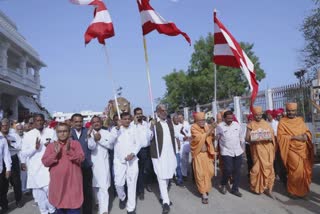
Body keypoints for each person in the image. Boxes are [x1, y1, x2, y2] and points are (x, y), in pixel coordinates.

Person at [110, 112, 150, 214]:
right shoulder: (115, 130)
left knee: (132, 184)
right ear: (121, 120)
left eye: (128, 119)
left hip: (132, 162)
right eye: (125, 119)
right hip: (119, 162)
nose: (127, 121)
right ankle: (122, 197)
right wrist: (118, 129)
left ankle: (131, 208)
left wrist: (133, 154)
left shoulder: (134, 129)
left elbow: (139, 143)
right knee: (118, 183)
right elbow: (110, 141)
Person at [42, 123, 84, 214]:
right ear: (56, 133)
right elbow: (45, 162)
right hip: (58, 186)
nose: (62, 134)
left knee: (74, 207)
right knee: (59, 207)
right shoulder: (51, 146)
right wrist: (55, 154)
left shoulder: (75, 144)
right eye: (59, 131)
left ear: (69, 133)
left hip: (73, 184)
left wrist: (69, 151)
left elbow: (81, 158)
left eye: (65, 131)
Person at [21, 114, 56, 214]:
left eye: (41, 120)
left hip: (48, 169)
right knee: (40, 198)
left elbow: (58, 147)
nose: (39, 122)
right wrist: (35, 148)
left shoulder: (51, 132)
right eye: (37, 120)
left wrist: (51, 147)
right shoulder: (28, 135)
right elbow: (23, 153)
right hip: (35, 170)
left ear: (44, 121)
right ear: (34, 122)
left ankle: (53, 211)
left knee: (51, 193)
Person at [277, 102, 314, 198]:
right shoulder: (282, 122)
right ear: (286, 111)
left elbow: (307, 132)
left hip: (303, 149)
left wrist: (306, 136)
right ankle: (293, 191)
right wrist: (295, 137)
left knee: (303, 171)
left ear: (296, 111)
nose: (290, 112)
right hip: (291, 150)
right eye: (289, 111)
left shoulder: (300, 121)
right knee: (295, 171)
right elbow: (281, 137)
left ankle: (302, 192)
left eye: (293, 111)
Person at [151, 104, 177, 214]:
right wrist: (150, 128)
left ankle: (162, 196)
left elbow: (174, 135)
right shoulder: (153, 123)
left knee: (168, 175)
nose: (164, 112)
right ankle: (166, 202)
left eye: (165, 110)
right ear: (157, 112)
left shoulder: (169, 122)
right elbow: (148, 137)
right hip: (158, 154)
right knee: (161, 176)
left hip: (170, 153)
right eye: (162, 110)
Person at [245, 106, 275, 198]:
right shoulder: (251, 124)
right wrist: (254, 139)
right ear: (253, 115)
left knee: (269, 169)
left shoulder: (266, 124)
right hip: (257, 151)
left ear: (262, 114)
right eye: (256, 115)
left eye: (260, 115)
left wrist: (269, 139)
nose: (258, 116)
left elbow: (272, 137)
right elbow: (247, 138)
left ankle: (268, 189)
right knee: (256, 170)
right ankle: (257, 188)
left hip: (267, 151)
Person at [88, 116, 113, 214]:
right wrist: (92, 137)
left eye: (98, 121)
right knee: (95, 187)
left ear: (101, 123)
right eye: (94, 122)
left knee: (104, 187)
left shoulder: (106, 133)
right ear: (91, 124)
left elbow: (111, 146)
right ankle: (98, 203)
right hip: (93, 164)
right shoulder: (89, 132)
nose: (96, 123)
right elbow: (90, 146)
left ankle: (104, 210)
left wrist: (100, 140)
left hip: (104, 164)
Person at [216, 111, 244, 197]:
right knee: (228, 169)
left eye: (231, 118)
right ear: (224, 118)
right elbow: (216, 139)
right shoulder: (219, 126)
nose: (230, 120)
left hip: (238, 151)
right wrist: (215, 149)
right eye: (228, 118)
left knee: (238, 171)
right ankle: (223, 184)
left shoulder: (236, 125)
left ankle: (235, 189)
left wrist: (243, 149)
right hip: (226, 151)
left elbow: (241, 137)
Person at [70, 113, 93, 214]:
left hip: (86, 167)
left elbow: (92, 147)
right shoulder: (68, 133)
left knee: (87, 192)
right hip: (73, 169)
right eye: (76, 122)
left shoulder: (87, 132)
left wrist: (89, 136)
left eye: (80, 121)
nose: (79, 123)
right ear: (72, 122)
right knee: (75, 192)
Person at [190, 112, 215, 204]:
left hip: (207, 154)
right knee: (200, 174)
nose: (202, 122)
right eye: (200, 120)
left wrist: (212, 131)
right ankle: (204, 193)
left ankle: (206, 188)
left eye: (203, 120)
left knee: (210, 172)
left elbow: (210, 137)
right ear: (196, 121)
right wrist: (211, 129)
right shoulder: (193, 127)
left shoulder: (206, 127)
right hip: (198, 155)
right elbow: (199, 138)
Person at [0, 119, 23, 208]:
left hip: (13, 159)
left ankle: (18, 200)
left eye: (6, 125)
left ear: (9, 126)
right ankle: (4, 203)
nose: (5, 127)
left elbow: (20, 147)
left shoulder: (14, 136)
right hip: (2, 161)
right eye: (3, 125)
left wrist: (10, 144)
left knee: (16, 182)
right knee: (3, 184)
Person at [131, 108, 153, 200]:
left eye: (141, 113)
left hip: (147, 149)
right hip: (138, 151)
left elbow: (150, 136)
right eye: (137, 114)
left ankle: (147, 183)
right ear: (134, 115)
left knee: (147, 169)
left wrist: (151, 128)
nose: (139, 115)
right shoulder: (132, 125)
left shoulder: (146, 124)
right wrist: (135, 124)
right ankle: (140, 191)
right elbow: (132, 136)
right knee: (139, 171)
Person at [0, 125, 11, 213]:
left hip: (0, 170)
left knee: (2, 191)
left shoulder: (2, 139)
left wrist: (8, 168)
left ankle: (4, 207)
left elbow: (6, 155)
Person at [177, 112, 191, 180]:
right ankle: (184, 174)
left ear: (183, 117)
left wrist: (187, 137)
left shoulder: (186, 123)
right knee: (182, 159)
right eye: (179, 118)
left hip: (187, 143)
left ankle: (186, 171)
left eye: (181, 117)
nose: (180, 119)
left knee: (186, 159)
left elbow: (189, 133)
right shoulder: (177, 124)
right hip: (181, 143)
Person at [172, 114, 184, 187]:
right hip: (171, 149)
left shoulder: (181, 126)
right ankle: (172, 177)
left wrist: (179, 145)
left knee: (178, 165)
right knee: (171, 165)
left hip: (179, 148)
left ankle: (180, 179)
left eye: (177, 118)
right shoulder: (171, 126)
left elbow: (182, 135)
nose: (176, 119)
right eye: (175, 118)